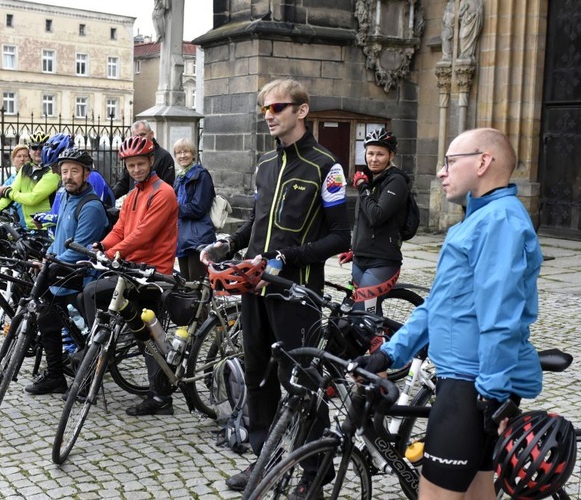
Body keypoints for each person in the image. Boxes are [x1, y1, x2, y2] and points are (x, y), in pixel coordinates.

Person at [356, 128, 543, 500]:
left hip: (470, 386)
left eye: (450, 162)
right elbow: (438, 304)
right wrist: (391, 352)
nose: (442, 172)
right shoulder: (479, 219)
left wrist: (490, 394)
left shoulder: (499, 222)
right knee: (477, 492)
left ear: (483, 162)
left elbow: (500, 317)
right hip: (464, 381)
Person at [200, 79, 350, 493]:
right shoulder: (266, 165)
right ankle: (263, 457)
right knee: (257, 376)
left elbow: (341, 237)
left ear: (301, 111)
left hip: (295, 293)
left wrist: (288, 258)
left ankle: (314, 471)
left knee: (301, 382)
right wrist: (227, 241)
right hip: (254, 289)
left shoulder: (326, 166)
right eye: (265, 109)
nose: (269, 115)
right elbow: (258, 223)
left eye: (277, 108)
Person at [83, 135, 179, 416]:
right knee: (90, 294)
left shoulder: (163, 193)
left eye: (140, 163)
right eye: (130, 165)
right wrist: (103, 244)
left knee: (150, 334)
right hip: (133, 270)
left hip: (154, 274)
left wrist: (116, 251)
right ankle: (101, 349)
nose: (135, 169)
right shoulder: (135, 194)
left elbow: (143, 234)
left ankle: (161, 398)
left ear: (151, 161)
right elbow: (122, 229)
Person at [24, 147, 109, 395]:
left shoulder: (91, 206)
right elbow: (60, 239)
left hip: (80, 278)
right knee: (47, 319)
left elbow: (80, 249)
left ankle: (87, 377)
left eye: (74, 171)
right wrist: (47, 257)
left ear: (86, 174)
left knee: (85, 335)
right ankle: (54, 376)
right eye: (64, 171)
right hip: (62, 272)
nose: (68, 176)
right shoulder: (67, 198)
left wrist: (52, 263)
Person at [338, 128, 409, 315]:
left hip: (382, 261)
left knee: (361, 315)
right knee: (356, 315)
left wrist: (363, 188)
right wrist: (355, 248)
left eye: (380, 154)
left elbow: (377, 216)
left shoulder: (396, 181)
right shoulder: (370, 180)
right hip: (361, 259)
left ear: (391, 155)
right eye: (370, 153)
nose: (374, 159)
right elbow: (361, 221)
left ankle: (386, 344)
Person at [0, 132, 63, 228]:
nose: (38, 151)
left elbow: (32, 199)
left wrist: (6, 192)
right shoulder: (25, 168)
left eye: (41, 148)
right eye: (34, 148)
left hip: (46, 227)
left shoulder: (52, 172)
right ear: (29, 150)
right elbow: (13, 189)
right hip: (29, 227)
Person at [172, 137, 216, 281]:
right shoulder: (179, 177)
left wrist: (172, 209)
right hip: (183, 237)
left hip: (198, 237)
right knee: (185, 283)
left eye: (186, 151)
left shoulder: (201, 175)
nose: (182, 155)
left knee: (196, 284)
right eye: (179, 152)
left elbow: (198, 208)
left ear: (193, 154)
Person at [111, 120, 175, 198]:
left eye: (143, 134)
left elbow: (168, 186)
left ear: (152, 134)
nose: (140, 138)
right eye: (136, 136)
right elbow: (123, 183)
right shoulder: (131, 156)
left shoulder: (164, 156)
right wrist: (108, 197)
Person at [2, 143, 31, 225]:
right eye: (19, 156)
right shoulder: (10, 181)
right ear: (13, 160)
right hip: (16, 226)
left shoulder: (35, 177)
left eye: (25, 156)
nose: (22, 159)